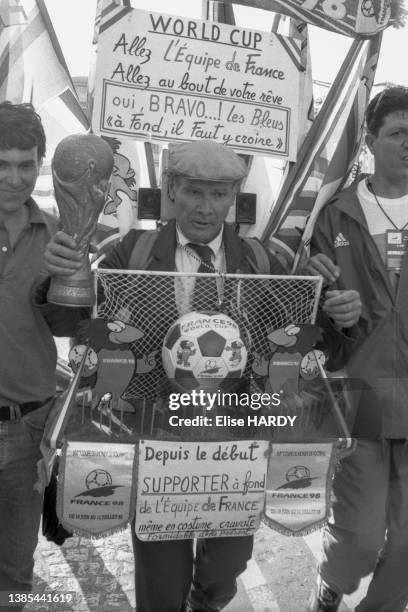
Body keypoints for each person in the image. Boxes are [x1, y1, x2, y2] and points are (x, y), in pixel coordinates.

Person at [42, 140, 361, 612]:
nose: (205, 208)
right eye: (194, 192)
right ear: (171, 190)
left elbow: (303, 345)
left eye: (218, 195)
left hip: (239, 436)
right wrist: (61, 280)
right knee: (162, 576)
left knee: (225, 567)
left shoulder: (262, 260)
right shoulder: (129, 253)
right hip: (158, 439)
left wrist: (339, 320)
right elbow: (72, 326)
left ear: (234, 197)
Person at [307, 86, 408, 612]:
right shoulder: (335, 214)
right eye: (398, 133)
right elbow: (309, 315)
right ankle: (332, 582)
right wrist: (327, 307)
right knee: (360, 538)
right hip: (359, 392)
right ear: (369, 141)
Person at [0, 101, 58, 611]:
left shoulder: (59, 234)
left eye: (25, 163)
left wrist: (71, 279)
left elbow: (70, 326)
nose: (14, 177)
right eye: (2, 163)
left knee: (18, 566)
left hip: (29, 423)